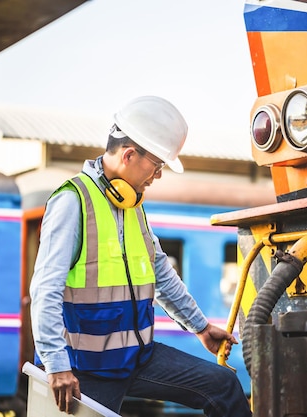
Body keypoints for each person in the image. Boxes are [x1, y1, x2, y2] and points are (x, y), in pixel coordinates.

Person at [29, 95, 252, 417]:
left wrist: (201, 327)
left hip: (137, 357)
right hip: (85, 369)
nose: (157, 176)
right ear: (130, 154)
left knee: (223, 386)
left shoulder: (132, 206)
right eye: (157, 165)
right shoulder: (72, 202)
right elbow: (45, 290)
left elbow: (161, 273)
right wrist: (56, 365)